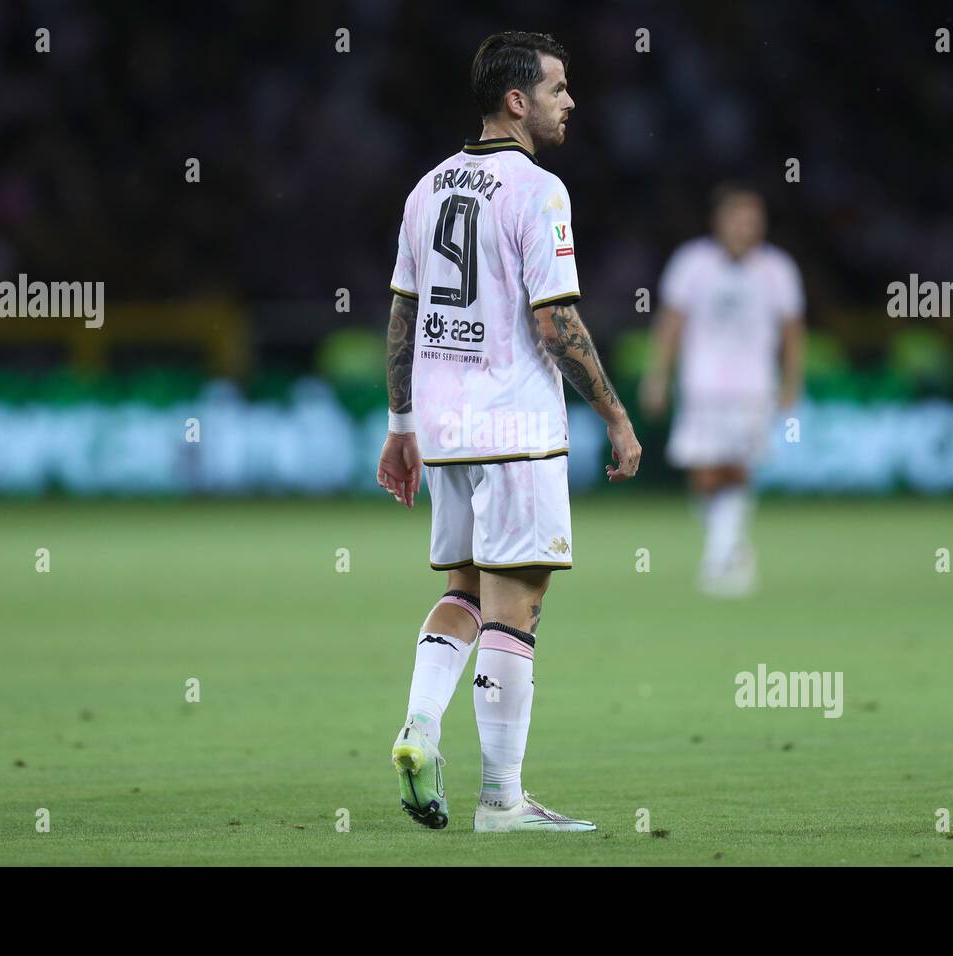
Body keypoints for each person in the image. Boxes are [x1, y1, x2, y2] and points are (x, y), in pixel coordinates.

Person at [377, 31, 641, 832]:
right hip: (518, 427)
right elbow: (556, 322)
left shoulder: (427, 189)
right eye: (559, 88)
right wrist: (616, 415)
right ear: (517, 101)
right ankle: (501, 799)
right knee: (516, 608)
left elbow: (402, 315)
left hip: (447, 431)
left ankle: (421, 729)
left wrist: (400, 424)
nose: (571, 102)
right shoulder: (538, 190)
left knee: (462, 590)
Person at [641, 185, 805, 596]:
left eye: (753, 219)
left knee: (737, 470)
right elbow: (671, 324)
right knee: (704, 474)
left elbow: (792, 332)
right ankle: (732, 547)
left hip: (752, 389)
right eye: (738, 218)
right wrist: (657, 376)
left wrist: (791, 381)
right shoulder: (692, 263)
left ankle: (720, 557)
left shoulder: (778, 269)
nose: (745, 227)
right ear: (720, 221)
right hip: (702, 386)